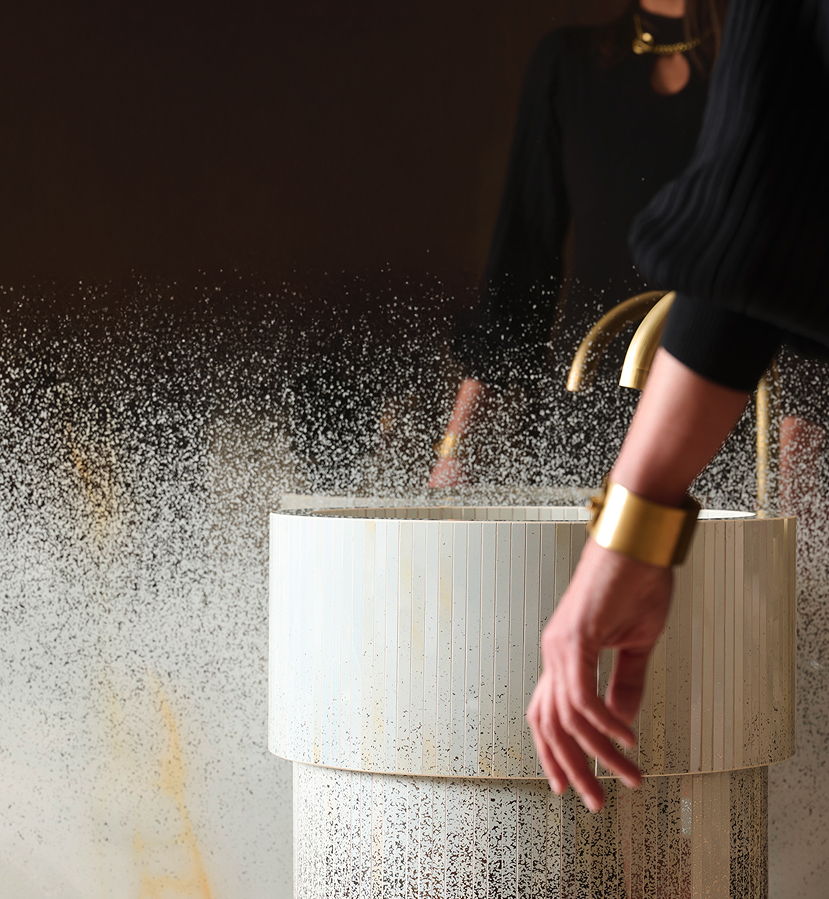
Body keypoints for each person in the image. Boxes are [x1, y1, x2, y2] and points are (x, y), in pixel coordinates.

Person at [527, 0, 829, 812]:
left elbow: (759, 211)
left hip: (697, 421)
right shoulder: (571, 66)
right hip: (618, 411)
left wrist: (632, 528)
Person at [429, 0, 728, 490]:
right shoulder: (569, 64)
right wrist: (456, 451)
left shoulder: (762, 67)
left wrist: (798, 462)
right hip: (586, 407)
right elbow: (522, 263)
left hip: (722, 404)